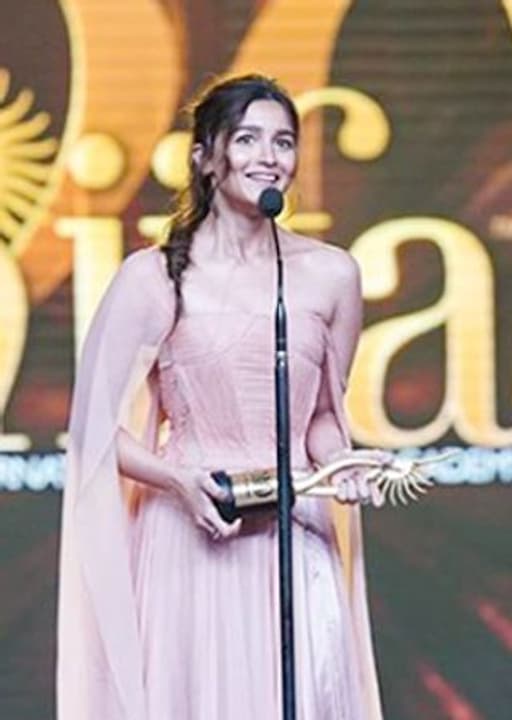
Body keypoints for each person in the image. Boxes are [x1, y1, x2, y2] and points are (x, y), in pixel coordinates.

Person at [57, 74, 385, 719]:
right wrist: (178, 481)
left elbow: (322, 415)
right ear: (206, 157)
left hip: (295, 529)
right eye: (247, 139)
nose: (269, 156)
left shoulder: (331, 274)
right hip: (191, 529)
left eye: (283, 142)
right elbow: (94, 428)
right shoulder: (154, 276)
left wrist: (341, 465)